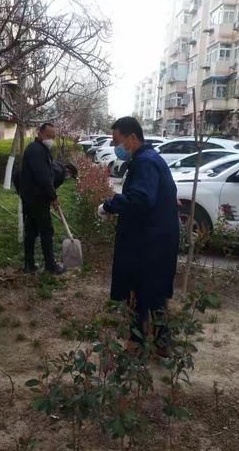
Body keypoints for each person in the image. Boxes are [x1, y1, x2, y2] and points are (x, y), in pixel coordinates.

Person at [98, 116, 179, 354]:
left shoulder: (145, 163)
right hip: (155, 238)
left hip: (149, 242)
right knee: (153, 292)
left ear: (132, 138)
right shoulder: (148, 159)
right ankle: (161, 343)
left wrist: (110, 205)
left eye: (117, 141)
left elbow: (141, 198)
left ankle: (136, 345)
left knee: (140, 291)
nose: (116, 147)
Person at [19, 123, 66, 275]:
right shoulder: (36, 151)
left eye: (53, 137)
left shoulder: (39, 149)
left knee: (31, 230)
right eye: (48, 136)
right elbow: (43, 177)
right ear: (40, 134)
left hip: (31, 197)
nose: (51, 139)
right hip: (37, 198)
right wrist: (53, 196)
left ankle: (29, 264)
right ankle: (50, 266)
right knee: (46, 230)